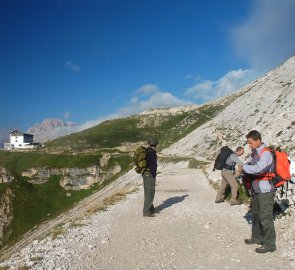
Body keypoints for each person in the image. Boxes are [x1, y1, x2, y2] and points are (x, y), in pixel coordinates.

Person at [242, 130, 276, 253]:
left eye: (250, 143)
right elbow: (252, 166)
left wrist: (244, 167)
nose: (249, 145)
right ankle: (257, 237)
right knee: (256, 214)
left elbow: (258, 169)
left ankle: (270, 244)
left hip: (266, 190)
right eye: (248, 143)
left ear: (258, 141)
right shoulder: (255, 153)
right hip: (257, 189)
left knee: (265, 216)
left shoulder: (265, 154)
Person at [142, 138, 158, 217]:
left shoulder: (146, 151)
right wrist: (154, 174)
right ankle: (147, 211)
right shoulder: (152, 152)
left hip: (144, 173)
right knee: (150, 192)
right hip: (149, 175)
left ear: (149, 144)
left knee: (147, 191)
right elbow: (153, 165)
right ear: (156, 145)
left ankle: (151, 208)